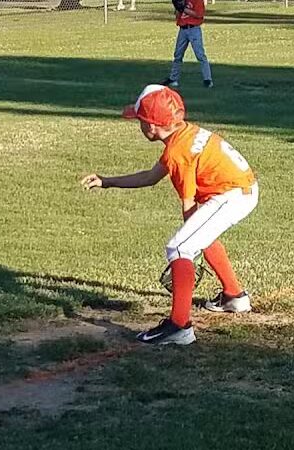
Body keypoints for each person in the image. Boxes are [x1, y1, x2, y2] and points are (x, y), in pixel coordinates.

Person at [81, 85, 258, 345]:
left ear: (153, 126)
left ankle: (179, 327)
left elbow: (189, 206)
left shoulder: (178, 153)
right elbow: (151, 177)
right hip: (239, 190)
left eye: (141, 121)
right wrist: (107, 181)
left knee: (178, 247)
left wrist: (185, 257)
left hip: (231, 196)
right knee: (195, 237)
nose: (139, 125)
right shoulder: (184, 134)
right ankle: (234, 297)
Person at [160, 0, 213, 88]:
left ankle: (208, 79)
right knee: (178, 55)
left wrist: (183, 9)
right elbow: (178, 16)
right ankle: (173, 79)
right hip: (183, 29)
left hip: (194, 29)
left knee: (200, 55)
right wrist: (177, 8)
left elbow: (199, 14)